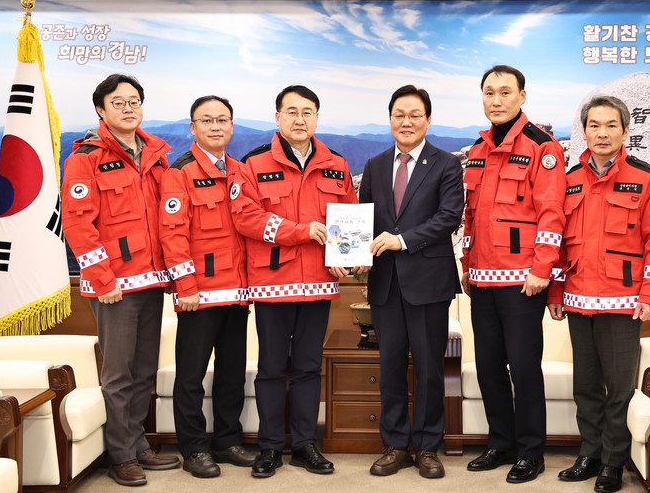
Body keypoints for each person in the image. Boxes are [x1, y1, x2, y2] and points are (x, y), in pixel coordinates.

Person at [230, 85, 357, 478]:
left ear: (316, 118)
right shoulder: (252, 163)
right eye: (292, 112)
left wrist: (345, 259)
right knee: (271, 368)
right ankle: (270, 446)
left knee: (307, 367)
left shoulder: (337, 164)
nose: (300, 120)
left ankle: (304, 445)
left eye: (307, 112)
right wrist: (300, 231)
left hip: (319, 282)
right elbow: (245, 217)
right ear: (278, 117)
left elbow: (349, 217)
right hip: (273, 281)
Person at [548, 95, 650, 493]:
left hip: (623, 301)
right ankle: (589, 453)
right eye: (594, 125)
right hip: (578, 298)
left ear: (625, 131)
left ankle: (613, 462)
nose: (602, 133)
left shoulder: (647, 178)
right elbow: (558, 243)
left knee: (618, 388)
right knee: (585, 386)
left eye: (611, 125)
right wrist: (556, 291)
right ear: (584, 132)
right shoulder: (569, 179)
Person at [61, 74, 180, 487]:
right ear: (101, 109)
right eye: (118, 102)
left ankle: (138, 444)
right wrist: (102, 278)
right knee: (118, 373)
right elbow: (78, 224)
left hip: (152, 280)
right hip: (113, 285)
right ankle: (121, 455)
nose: (128, 108)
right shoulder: (85, 158)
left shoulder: (156, 155)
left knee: (144, 369)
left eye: (134, 101)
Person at [349, 85, 463, 479]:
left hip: (428, 282)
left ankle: (427, 447)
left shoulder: (447, 164)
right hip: (385, 284)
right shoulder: (375, 165)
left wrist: (402, 240)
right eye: (399, 115)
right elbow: (364, 219)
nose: (406, 122)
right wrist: (352, 252)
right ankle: (395, 445)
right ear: (390, 119)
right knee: (391, 367)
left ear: (428, 120)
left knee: (429, 368)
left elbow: (449, 217)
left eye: (415, 115)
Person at [460, 65, 566, 483]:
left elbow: (552, 214)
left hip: (523, 281)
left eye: (505, 92)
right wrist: (467, 266)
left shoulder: (542, 147)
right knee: (488, 366)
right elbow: (471, 217)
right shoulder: (477, 149)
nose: (496, 100)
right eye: (489, 92)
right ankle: (500, 443)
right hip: (481, 278)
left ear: (522, 97)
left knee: (523, 368)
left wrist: (542, 269)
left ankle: (531, 451)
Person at [159, 95, 256, 478]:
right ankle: (194, 449)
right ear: (193, 127)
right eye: (207, 120)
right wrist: (185, 286)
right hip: (197, 294)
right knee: (191, 376)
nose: (216, 127)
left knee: (232, 372)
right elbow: (173, 235)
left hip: (237, 292)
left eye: (222, 120)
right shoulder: (179, 172)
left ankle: (228, 440)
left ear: (231, 125)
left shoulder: (240, 169)